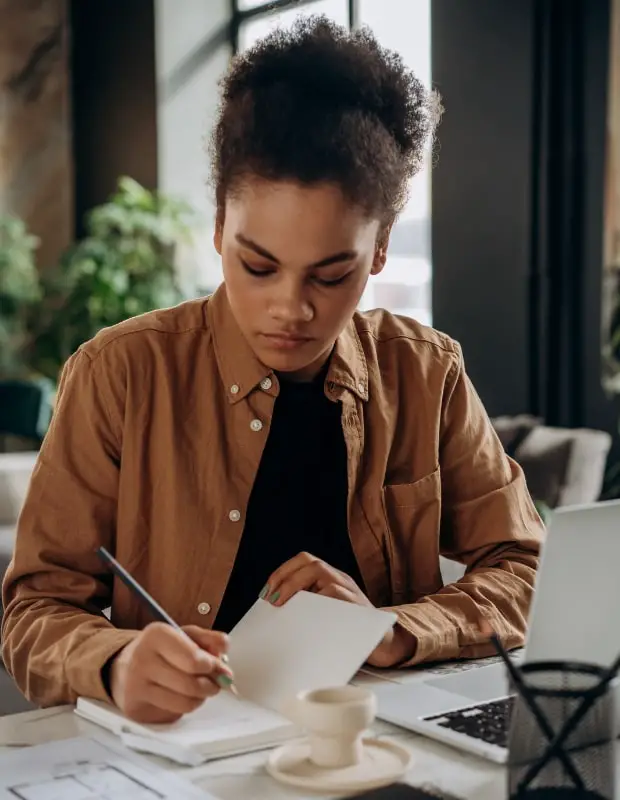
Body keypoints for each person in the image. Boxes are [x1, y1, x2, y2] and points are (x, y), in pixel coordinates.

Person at [2, 17, 544, 725]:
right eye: (258, 266)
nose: (290, 308)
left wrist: (395, 628)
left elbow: (526, 570)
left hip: (370, 740)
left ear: (379, 249)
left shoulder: (423, 372)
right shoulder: (121, 374)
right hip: (182, 753)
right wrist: (115, 659)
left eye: (330, 274)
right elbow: (33, 612)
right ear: (221, 226)